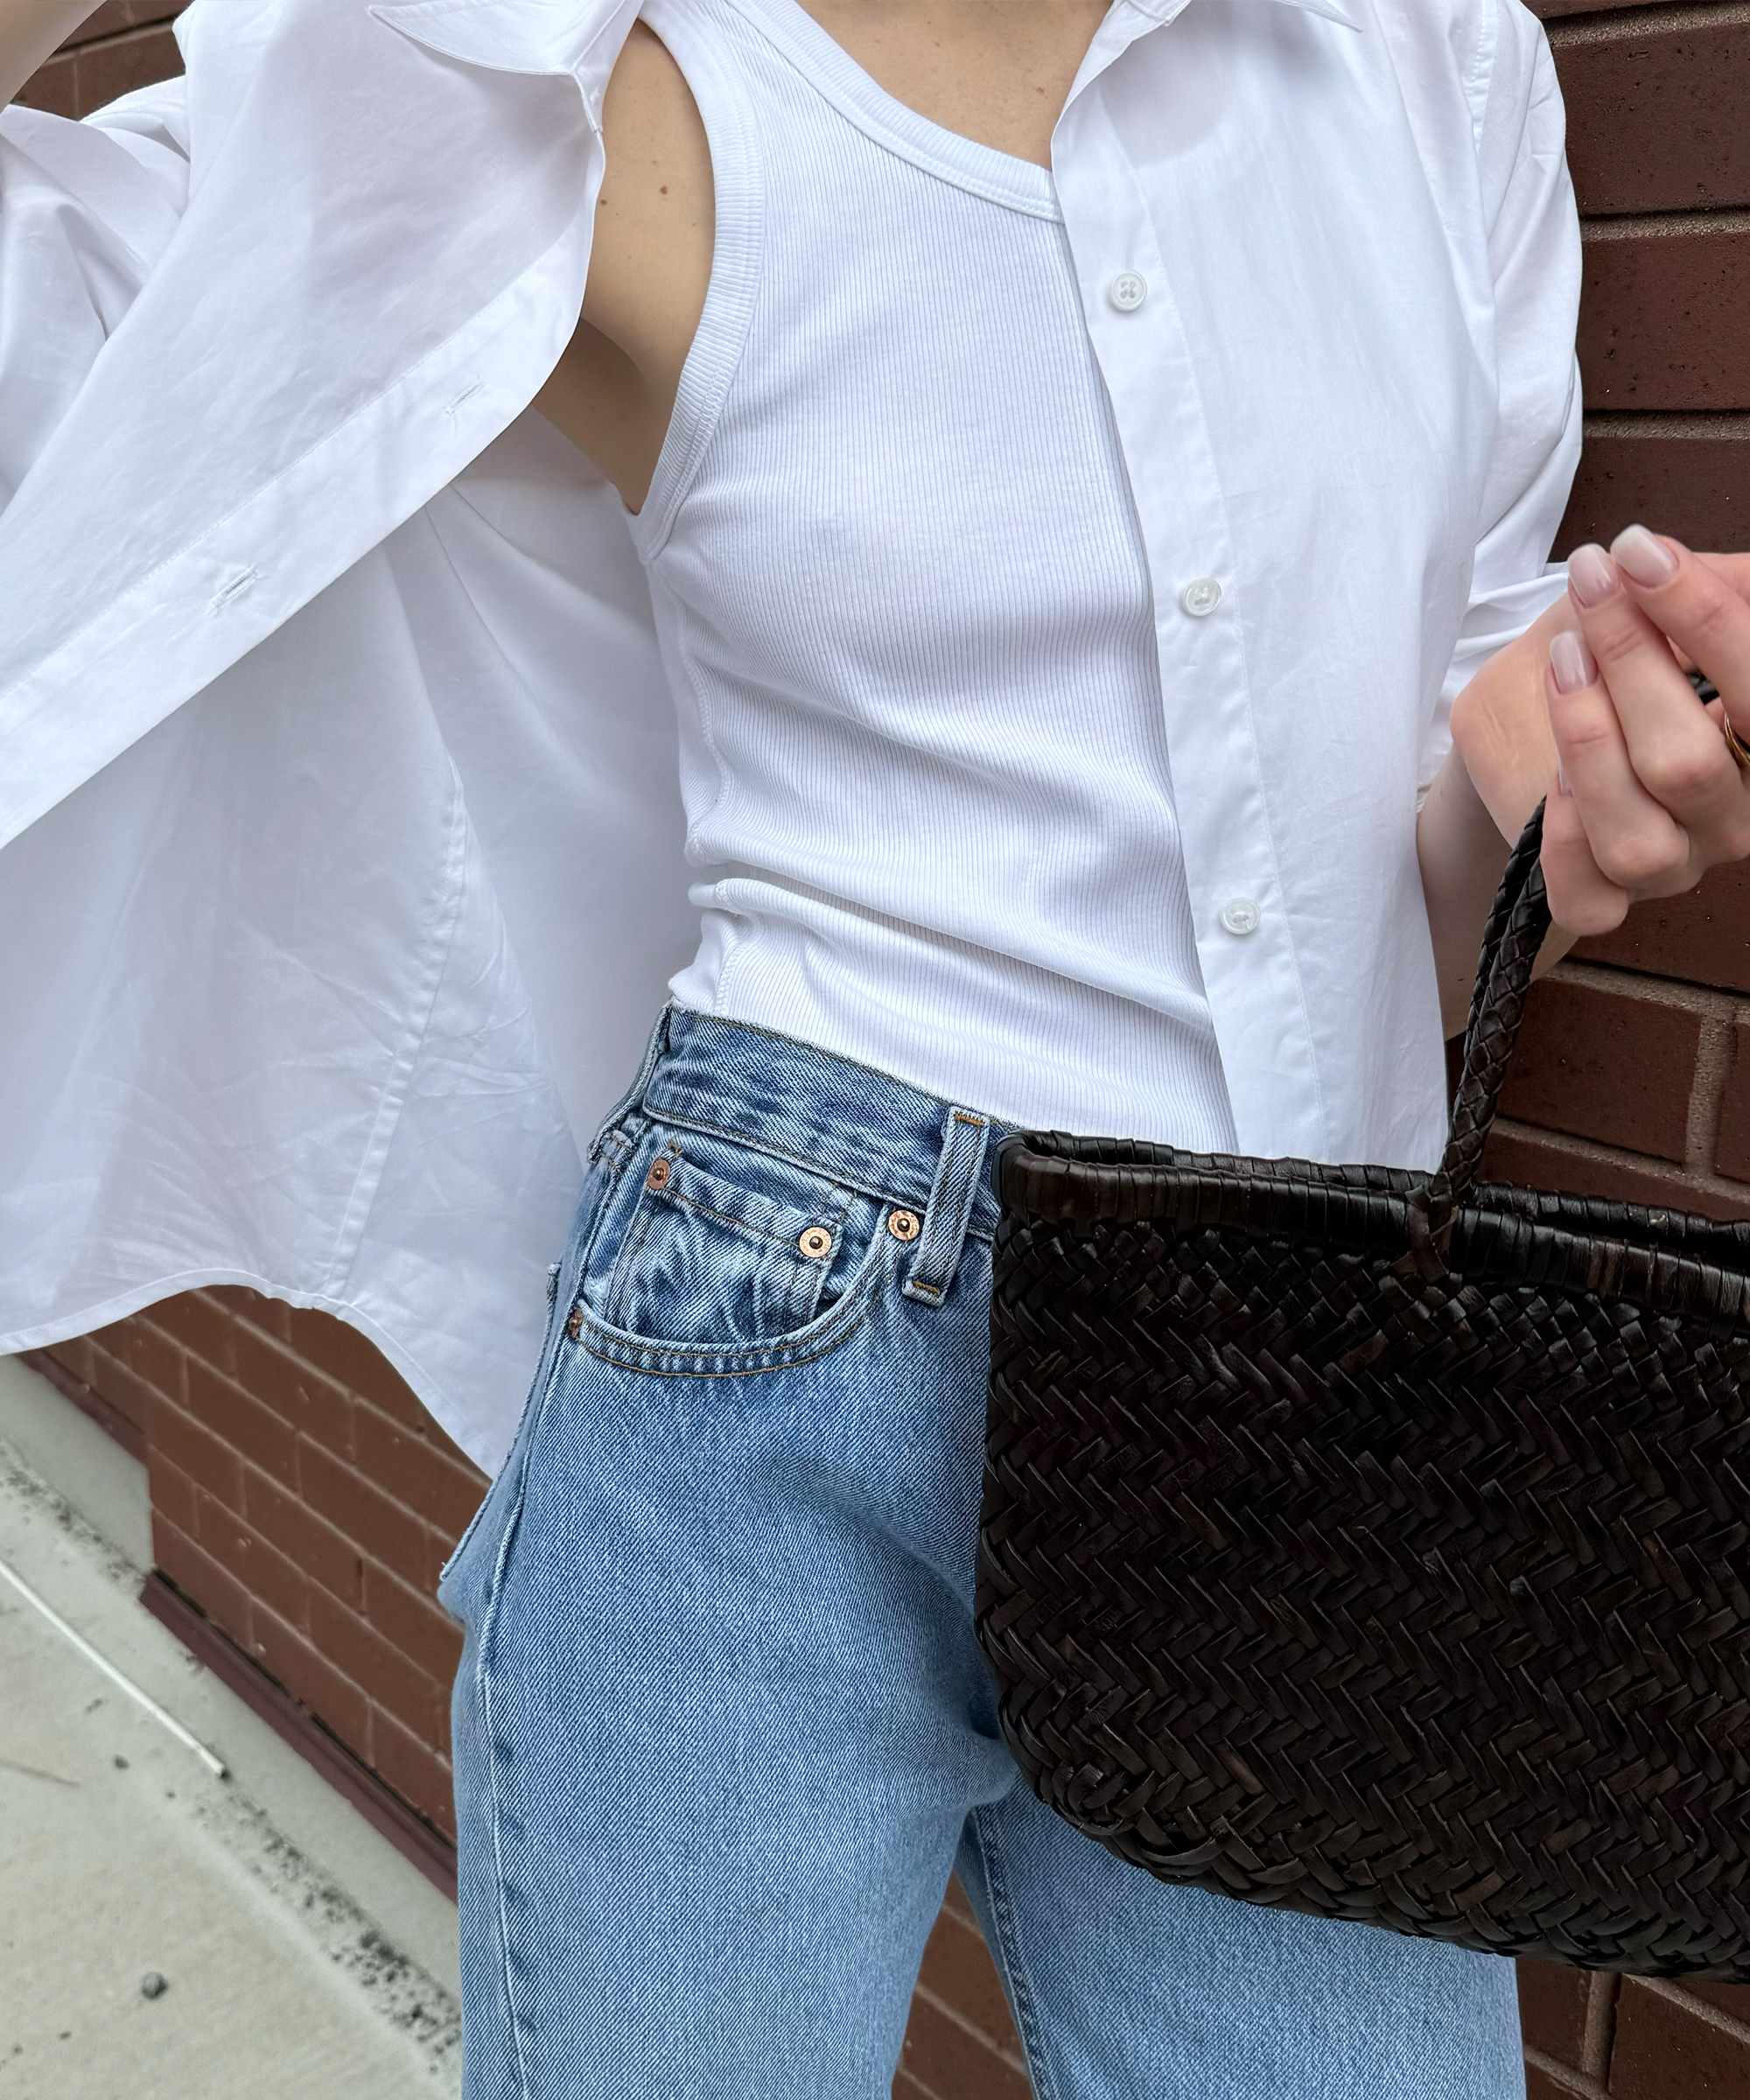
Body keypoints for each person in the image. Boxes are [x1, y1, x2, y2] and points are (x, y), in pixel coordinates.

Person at [3, 1, 1748, 2093]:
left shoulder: (1423, 54)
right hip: (772, 1315)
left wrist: (1552, 780)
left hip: (1295, 1382)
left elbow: (1430, 821)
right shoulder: (567, 89)